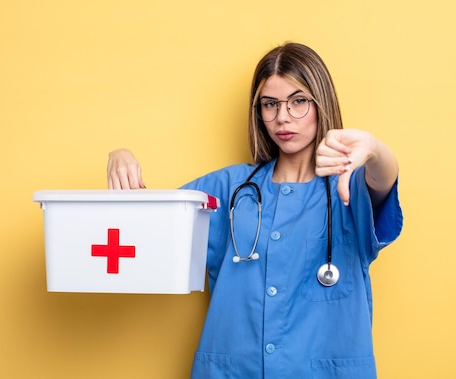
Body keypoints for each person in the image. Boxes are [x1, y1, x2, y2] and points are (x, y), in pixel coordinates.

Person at [107, 42, 403, 379]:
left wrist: (375, 148)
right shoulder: (226, 188)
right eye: (270, 104)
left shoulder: (349, 188)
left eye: (298, 101)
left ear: (322, 102)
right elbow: (142, 225)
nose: (282, 118)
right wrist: (120, 155)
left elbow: (384, 179)